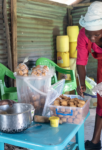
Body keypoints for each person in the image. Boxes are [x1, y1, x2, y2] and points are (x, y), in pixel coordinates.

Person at [77, 1, 102, 150]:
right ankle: (95, 143)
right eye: (89, 34)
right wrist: (81, 84)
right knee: (101, 102)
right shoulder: (83, 34)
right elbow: (81, 61)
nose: (92, 38)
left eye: (97, 35)